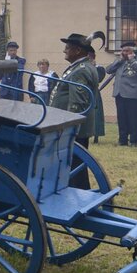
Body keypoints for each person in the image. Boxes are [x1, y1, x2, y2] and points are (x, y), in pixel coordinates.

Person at [50, 32, 103, 186]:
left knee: (74, 166)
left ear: (78, 50)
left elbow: (77, 104)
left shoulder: (80, 70)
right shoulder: (81, 67)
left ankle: (79, 196)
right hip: (75, 127)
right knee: (75, 167)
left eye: (67, 47)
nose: (64, 50)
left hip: (74, 128)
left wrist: (68, 128)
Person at [105, 42, 137, 146]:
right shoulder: (120, 61)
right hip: (119, 93)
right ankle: (122, 140)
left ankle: (134, 140)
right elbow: (108, 70)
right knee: (121, 118)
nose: (124, 53)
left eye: (127, 51)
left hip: (133, 94)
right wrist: (120, 60)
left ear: (132, 52)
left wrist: (132, 61)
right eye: (123, 51)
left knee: (133, 119)